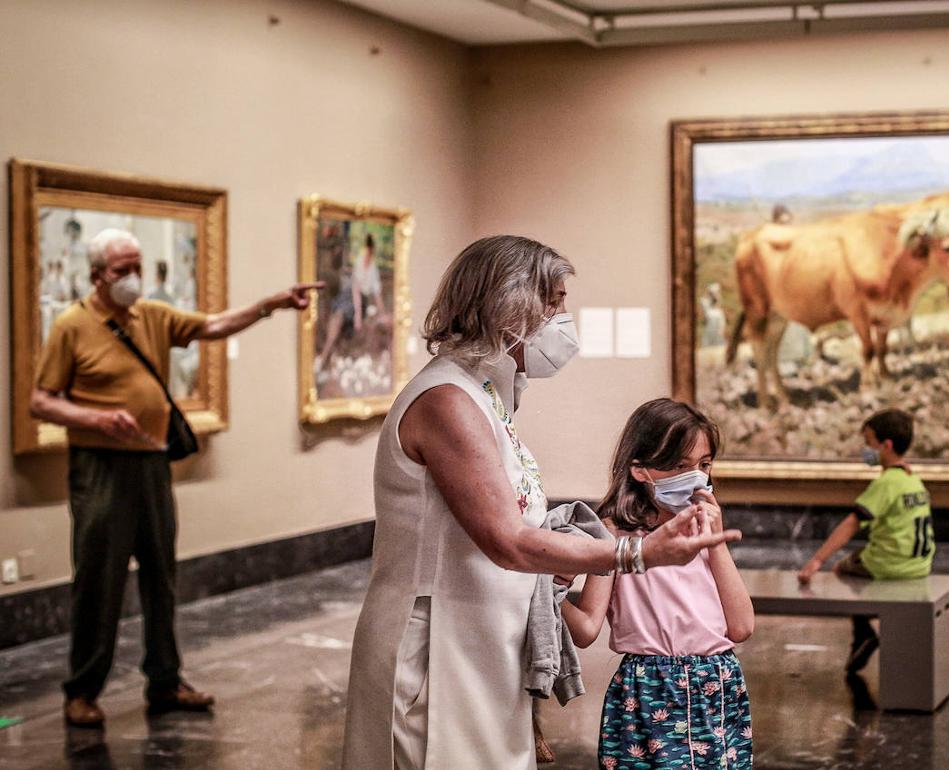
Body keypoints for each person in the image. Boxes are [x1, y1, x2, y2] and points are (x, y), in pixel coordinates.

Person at [340, 235, 741, 770]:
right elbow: (507, 541)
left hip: (483, 637)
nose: (563, 320)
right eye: (554, 303)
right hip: (439, 644)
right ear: (509, 307)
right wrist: (636, 554)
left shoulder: (485, 394)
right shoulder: (446, 401)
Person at [30, 228, 321, 728]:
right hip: (101, 468)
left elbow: (213, 326)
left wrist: (268, 305)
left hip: (151, 463)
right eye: (123, 270)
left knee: (161, 575)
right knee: (99, 581)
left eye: (137, 266)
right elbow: (41, 400)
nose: (133, 278)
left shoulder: (152, 316)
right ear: (97, 275)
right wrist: (96, 419)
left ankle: (164, 680)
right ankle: (82, 690)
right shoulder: (71, 326)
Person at [561, 398, 755, 769]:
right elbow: (586, 629)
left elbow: (742, 626)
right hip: (647, 689)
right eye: (680, 465)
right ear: (640, 469)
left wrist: (715, 542)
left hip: (716, 683)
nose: (696, 477)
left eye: (704, 465)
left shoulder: (704, 527)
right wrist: (544, 587)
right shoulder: (613, 532)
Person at [796, 409, 933, 673]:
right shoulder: (912, 480)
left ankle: (863, 632)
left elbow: (852, 523)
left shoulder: (887, 484)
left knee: (843, 569)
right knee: (860, 556)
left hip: (889, 566)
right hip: (919, 565)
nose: (865, 450)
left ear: (886, 445)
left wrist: (817, 561)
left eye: (869, 443)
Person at [315, 231, 388, 377]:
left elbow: (376, 292)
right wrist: (358, 317)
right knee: (339, 316)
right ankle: (324, 357)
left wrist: (382, 313)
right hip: (351, 298)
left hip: (362, 301)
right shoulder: (360, 262)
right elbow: (355, 289)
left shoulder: (372, 267)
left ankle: (326, 358)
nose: (369, 253)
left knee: (343, 318)